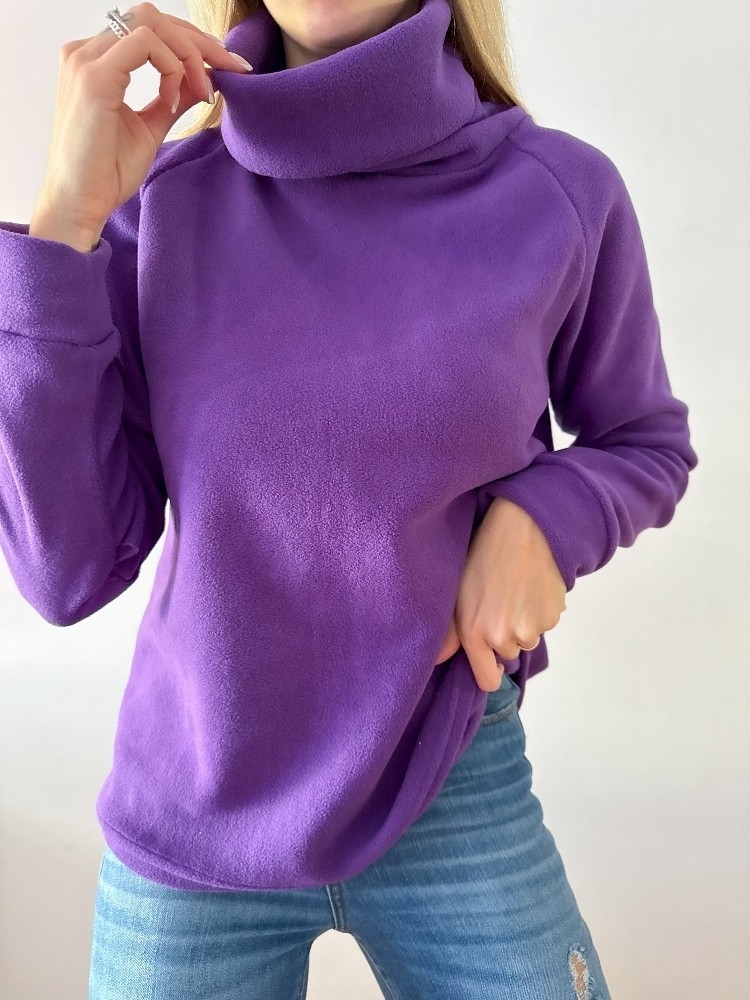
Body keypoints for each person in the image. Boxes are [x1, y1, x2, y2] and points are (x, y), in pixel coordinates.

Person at [0, 0, 698, 997]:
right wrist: (64, 225)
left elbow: (644, 439)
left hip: (449, 776)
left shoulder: (558, 193)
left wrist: (545, 517)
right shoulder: (162, 203)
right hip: (196, 799)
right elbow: (66, 572)